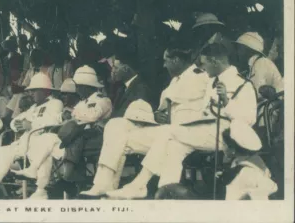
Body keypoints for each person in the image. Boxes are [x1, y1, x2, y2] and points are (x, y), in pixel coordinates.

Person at [107, 43, 257, 199]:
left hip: (226, 135)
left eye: (205, 64)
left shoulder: (241, 83)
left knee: (168, 131)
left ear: (215, 61)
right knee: (174, 146)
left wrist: (227, 101)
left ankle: (138, 185)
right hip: (206, 130)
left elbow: (248, 119)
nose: (204, 69)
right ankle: (166, 192)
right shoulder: (213, 82)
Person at [81, 43, 210, 197]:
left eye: (166, 60)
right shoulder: (175, 81)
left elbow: (203, 110)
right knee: (116, 125)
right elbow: (164, 109)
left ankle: (138, 186)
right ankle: (104, 184)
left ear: (176, 60)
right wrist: (154, 115)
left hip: (183, 134)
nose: (164, 65)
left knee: (131, 138)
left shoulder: (200, 77)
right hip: (165, 131)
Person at [0, 73, 63, 199]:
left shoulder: (55, 103)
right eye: (31, 91)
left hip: (39, 145)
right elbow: (14, 122)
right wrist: (18, 124)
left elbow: (54, 122)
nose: (31, 94)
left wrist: (31, 124)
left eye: (34, 91)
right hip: (23, 144)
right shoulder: (33, 107)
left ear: (45, 91)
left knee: (4, 156)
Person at [221, 127, 277, 200]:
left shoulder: (245, 172)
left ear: (232, 149)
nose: (222, 147)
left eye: (224, 144)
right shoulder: (255, 160)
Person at [234, 31, 283, 99]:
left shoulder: (260, 63)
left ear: (248, 49)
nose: (237, 52)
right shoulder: (256, 63)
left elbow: (256, 93)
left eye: (240, 48)